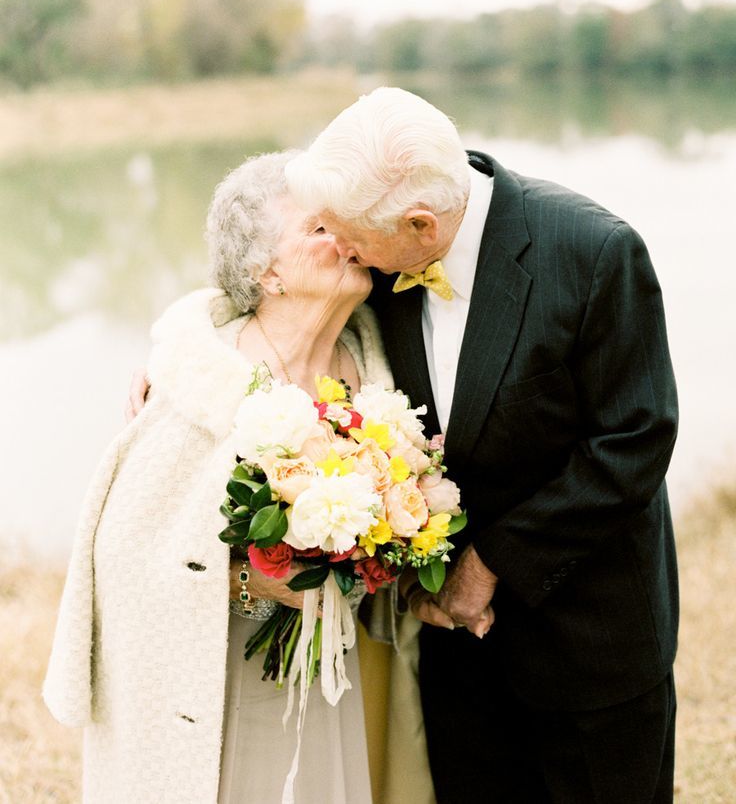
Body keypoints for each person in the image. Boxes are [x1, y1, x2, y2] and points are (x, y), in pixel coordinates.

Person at [283, 87, 679, 804]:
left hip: (591, 645)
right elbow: (264, 282)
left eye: (347, 237)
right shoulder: (376, 257)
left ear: (420, 224)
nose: (338, 251)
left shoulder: (594, 252)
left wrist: (492, 563)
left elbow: (634, 441)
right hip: (456, 661)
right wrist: (180, 344)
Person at [43, 150, 435, 804]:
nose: (344, 238)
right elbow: (123, 554)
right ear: (265, 272)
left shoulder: (381, 375)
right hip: (222, 678)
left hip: (335, 675)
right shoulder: (200, 380)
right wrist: (249, 581)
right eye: (318, 229)